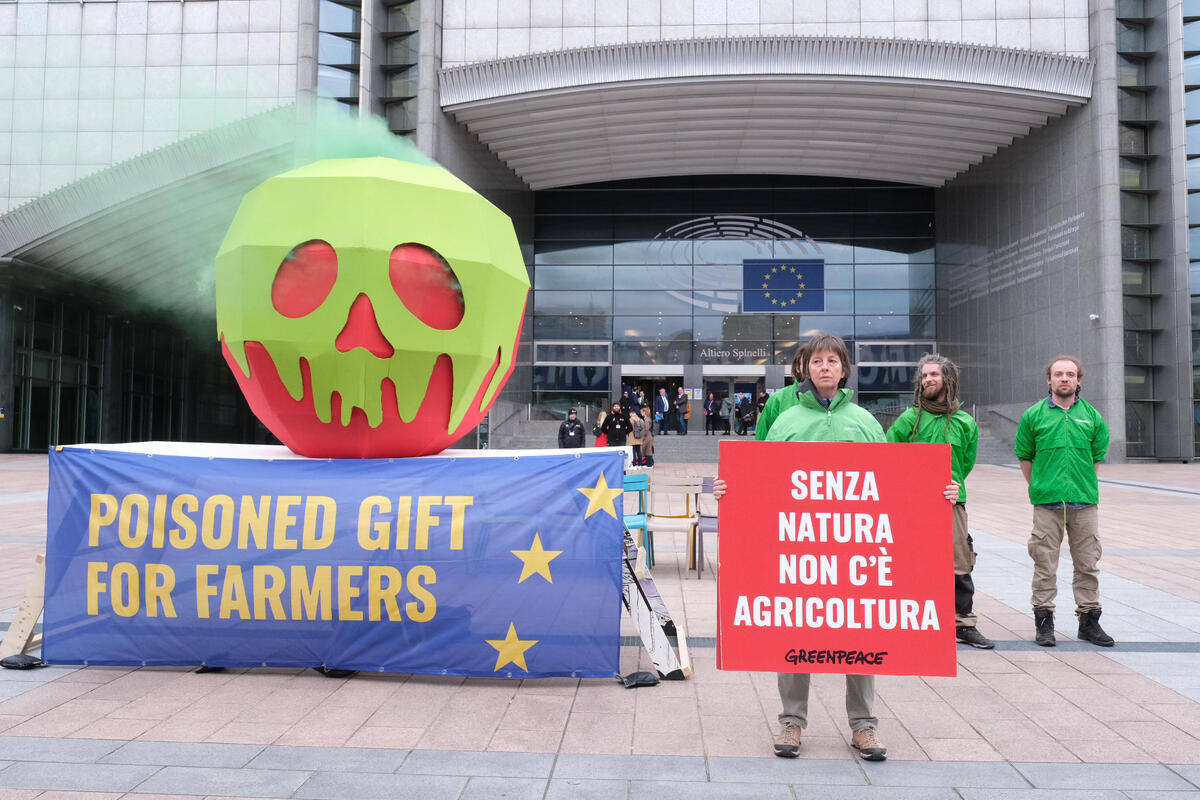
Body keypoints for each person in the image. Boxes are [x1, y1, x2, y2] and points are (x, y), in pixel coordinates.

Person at [716, 332, 960, 763]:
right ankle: (791, 720)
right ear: (805, 369)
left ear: (844, 369)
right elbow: (761, 483)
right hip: (798, 551)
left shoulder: (865, 422)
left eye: (832, 361)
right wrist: (728, 489)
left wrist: (940, 493)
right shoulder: (786, 422)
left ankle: (864, 726)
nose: (824, 367)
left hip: (855, 556)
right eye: (816, 362)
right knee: (792, 630)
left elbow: (892, 486)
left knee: (863, 630)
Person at [886, 355, 993, 649]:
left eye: (934, 374)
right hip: (912, 506)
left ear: (948, 378)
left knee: (959, 563)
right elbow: (888, 458)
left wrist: (956, 485)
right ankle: (912, 620)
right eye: (924, 375)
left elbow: (966, 462)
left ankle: (963, 624)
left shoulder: (964, 422)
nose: (928, 380)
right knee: (911, 561)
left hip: (951, 504)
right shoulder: (909, 419)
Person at [1015, 355, 1113, 648]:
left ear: (1079, 380)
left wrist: (1083, 487)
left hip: (1084, 503)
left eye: (1070, 374)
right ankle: (1044, 624)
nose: (1065, 378)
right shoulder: (1033, 416)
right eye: (1059, 374)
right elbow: (1025, 456)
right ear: (1049, 380)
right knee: (1044, 564)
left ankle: (1089, 621)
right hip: (1048, 504)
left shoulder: (1092, 417)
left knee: (1088, 564)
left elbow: (1097, 458)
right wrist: (1040, 486)